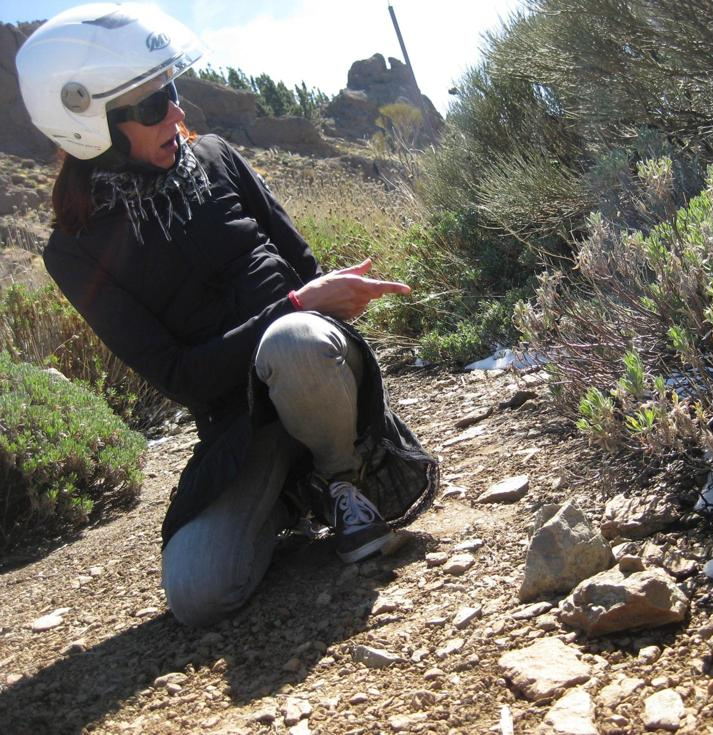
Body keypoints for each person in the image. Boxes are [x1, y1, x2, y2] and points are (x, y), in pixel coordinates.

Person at [15, 3, 437, 627]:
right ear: (91, 127)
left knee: (294, 341)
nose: (179, 114)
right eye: (154, 106)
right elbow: (179, 376)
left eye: (174, 93)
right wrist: (295, 305)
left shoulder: (215, 157)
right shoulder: (73, 254)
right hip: (237, 424)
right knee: (200, 595)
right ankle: (292, 488)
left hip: (307, 360)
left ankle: (341, 472)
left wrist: (313, 308)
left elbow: (303, 265)